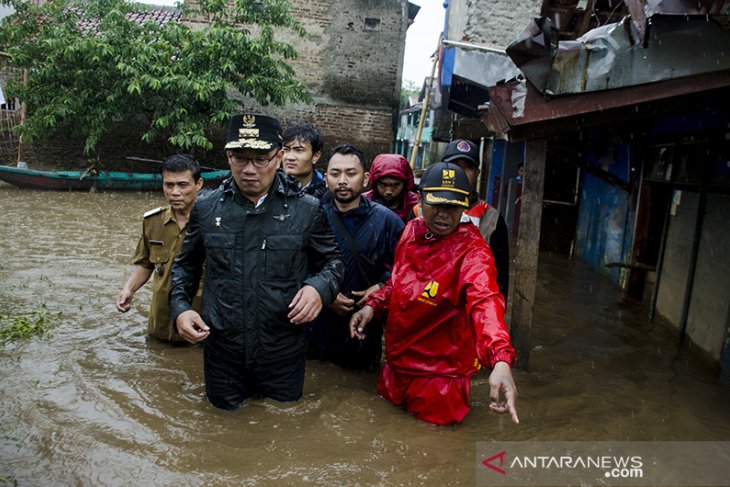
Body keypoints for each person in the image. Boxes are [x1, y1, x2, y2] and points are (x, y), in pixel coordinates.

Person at [170, 113, 344, 410]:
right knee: (220, 427)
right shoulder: (206, 208)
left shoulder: (306, 209)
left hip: (282, 351)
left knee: (284, 426)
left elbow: (334, 263)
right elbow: (185, 266)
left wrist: (318, 288)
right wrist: (181, 309)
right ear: (228, 157)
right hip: (223, 351)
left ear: (278, 157)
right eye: (240, 158)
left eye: (260, 159)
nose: (249, 169)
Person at [350, 162, 519, 426]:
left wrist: (500, 360)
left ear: (464, 206)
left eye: (453, 207)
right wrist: (373, 305)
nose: (444, 214)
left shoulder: (472, 253)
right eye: (436, 204)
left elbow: (485, 302)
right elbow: (399, 284)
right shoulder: (411, 231)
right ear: (419, 198)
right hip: (395, 368)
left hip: (440, 382)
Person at [307, 144, 404, 371]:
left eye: (351, 173)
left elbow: (408, 270)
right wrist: (323, 292)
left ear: (366, 178)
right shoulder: (310, 214)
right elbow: (291, 265)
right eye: (335, 173)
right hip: (314, 328)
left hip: (364, 329)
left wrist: (381, 287)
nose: (342, 180)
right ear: (325, 178)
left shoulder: (387, 221)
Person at [115, 154, 204, 342]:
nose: (175, 192)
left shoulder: (215, 223)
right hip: (160, 326)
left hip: (200, 328)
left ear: (198, 184)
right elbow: (145, 263)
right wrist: (128, 289)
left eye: (183, 185)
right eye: (168, 185)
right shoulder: (153, 221)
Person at [424, 139, 511, 302]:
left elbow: (500, 281)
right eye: (455, 165)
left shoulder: (492, 219)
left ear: (477, 174)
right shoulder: (423, 209)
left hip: (467, 309)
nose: (461, 172)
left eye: (468, 167)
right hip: (426, 306)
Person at [363, 153, 418, 223]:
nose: (388, 191)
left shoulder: (416, 205)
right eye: (383, 185)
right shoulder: (363, 202)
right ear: (375, 183)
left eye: (395, 185)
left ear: (405, 183)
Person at [282, 122, 326, 199]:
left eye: (299, 150)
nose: (290, 157)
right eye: (286, 150)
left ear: (315, 156)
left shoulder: (326, 195)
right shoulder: (268, 187)